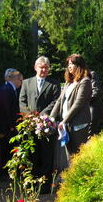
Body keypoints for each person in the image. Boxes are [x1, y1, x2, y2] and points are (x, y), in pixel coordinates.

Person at [19, 56, 61, 193]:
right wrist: (29, 116)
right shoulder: (26, 82)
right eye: (41, 67)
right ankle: (32, 185)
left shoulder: (54, 84)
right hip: (30, 125)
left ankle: (44, 187)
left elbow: (55, 102)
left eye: (46, 67)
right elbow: (22, 101)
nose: (43, 70)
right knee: (32, 155)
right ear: (35, 67)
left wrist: (42, 116)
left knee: (46, 155)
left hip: (46, 126)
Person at [52, 54, 92, 168]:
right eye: (68, 64)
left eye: (72, 64)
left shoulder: (85, 81)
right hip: (67, 124)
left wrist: (64, 121)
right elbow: (59, 101)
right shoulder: (68, 83)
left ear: (79, 66)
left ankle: (78, 180)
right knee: (69, 156)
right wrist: (50, 118)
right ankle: (70, 180)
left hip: (78, 125)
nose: (69, 66)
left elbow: (78, 104)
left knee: (78, 156)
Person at [1, 68, 22, 169]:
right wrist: (11, 125)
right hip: (8, 127)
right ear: (16, 78)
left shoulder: (11, 89)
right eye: (20, 79)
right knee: (6, 149)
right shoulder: (7, 89)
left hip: (9, 125)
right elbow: (7, 110)